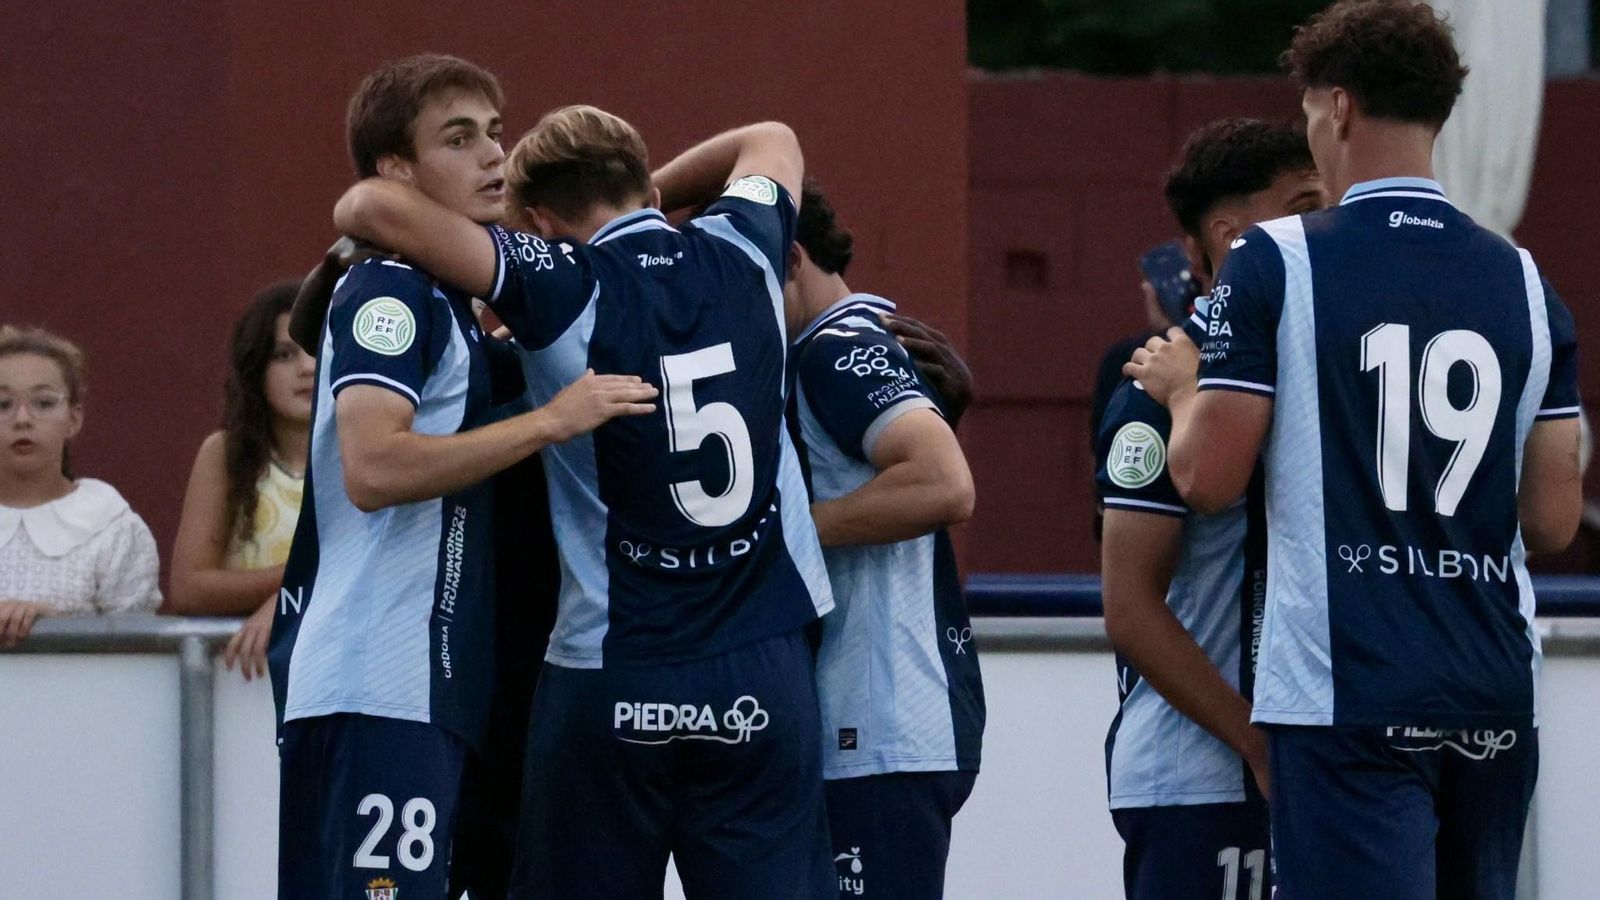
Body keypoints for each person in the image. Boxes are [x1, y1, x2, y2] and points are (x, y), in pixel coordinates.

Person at [1127, 3, 1582, 897]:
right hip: (1492, 685)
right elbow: (1552, 519)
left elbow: (1208, 479)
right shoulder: (1527, 279)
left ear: (1338, 107)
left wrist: (1183, 393)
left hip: (1346, 690)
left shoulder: (1277, 257)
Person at [331, 106, 837, 899]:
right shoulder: (746, 246)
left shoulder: (562, 280)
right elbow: (772, 137)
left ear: (539, 220)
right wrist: (641, 186)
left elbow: (370, 207)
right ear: (643, 187)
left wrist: (545, 235)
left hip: (610, 668)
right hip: (762, 663)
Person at [267, 58, 657, 900]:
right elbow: (374, 466)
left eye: (493, 132)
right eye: (457, 138)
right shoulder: (390, 291)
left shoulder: (444, 301)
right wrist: (551, 421)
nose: (492, 155)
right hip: (380, 678)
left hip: (421, 684)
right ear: (396, 172)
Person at [1096, 117, 1324, 900]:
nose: (1326, 224)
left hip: (1319, 765)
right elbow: (1130, 608)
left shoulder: (1312, 364)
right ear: (1232, 237)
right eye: (1306, 204)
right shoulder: (1154, 392)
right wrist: (1255, 742)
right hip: (1199, 780)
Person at [782, 180, 985, 900]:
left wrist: (776, 539)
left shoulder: (835, 347)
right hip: (877, 724)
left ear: (792, 258)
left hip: (875, 728)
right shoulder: (848, 341)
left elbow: (944, 485)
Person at [168, 281, 313, 681]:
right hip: (242, 677)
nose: (307, 367)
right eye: (284, 354)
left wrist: (289, 599)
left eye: (320, 349)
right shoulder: (225, 455)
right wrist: (295, 586)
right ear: (256, 367)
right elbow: (190, 588)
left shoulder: (368, 456)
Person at [0, 325, 161, 647]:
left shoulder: (111, 526)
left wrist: (57, 627)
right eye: (3, 404)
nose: (22, 419)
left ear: (73, 419)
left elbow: (138, 650)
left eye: (43, 403)